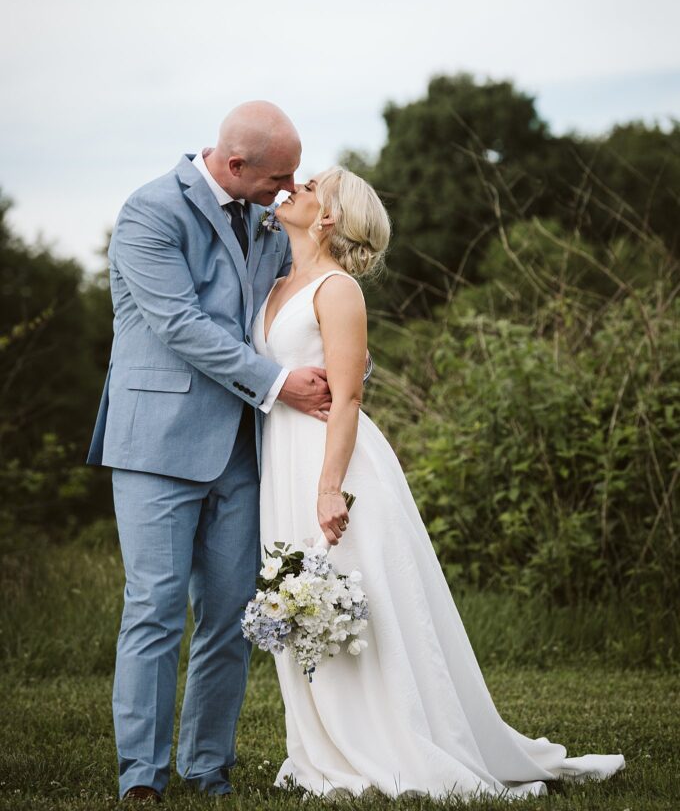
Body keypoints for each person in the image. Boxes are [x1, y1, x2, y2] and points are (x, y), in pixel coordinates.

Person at [256, 166, 626, 800]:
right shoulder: (276, 283)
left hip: (330, 462)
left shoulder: (338, 289)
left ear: (328, 218)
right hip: (279, 461)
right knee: (301, 598)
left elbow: (347, 399)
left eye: (312, 184)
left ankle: (388, 742)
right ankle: (322, 747)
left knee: (357, 601)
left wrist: (328, 489)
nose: (296, 186)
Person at [87, 101, 333, 803]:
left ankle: (207, 769)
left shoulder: (266, 218)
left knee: (230, 616)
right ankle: (141, 777)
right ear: (234, 166)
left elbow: (291, 303)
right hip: (156, 446)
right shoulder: (150, 212)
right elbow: (179, 324)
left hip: (245, 448)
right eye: (278, 177)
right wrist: (281, 382)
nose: (287, 190)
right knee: (156, 608)